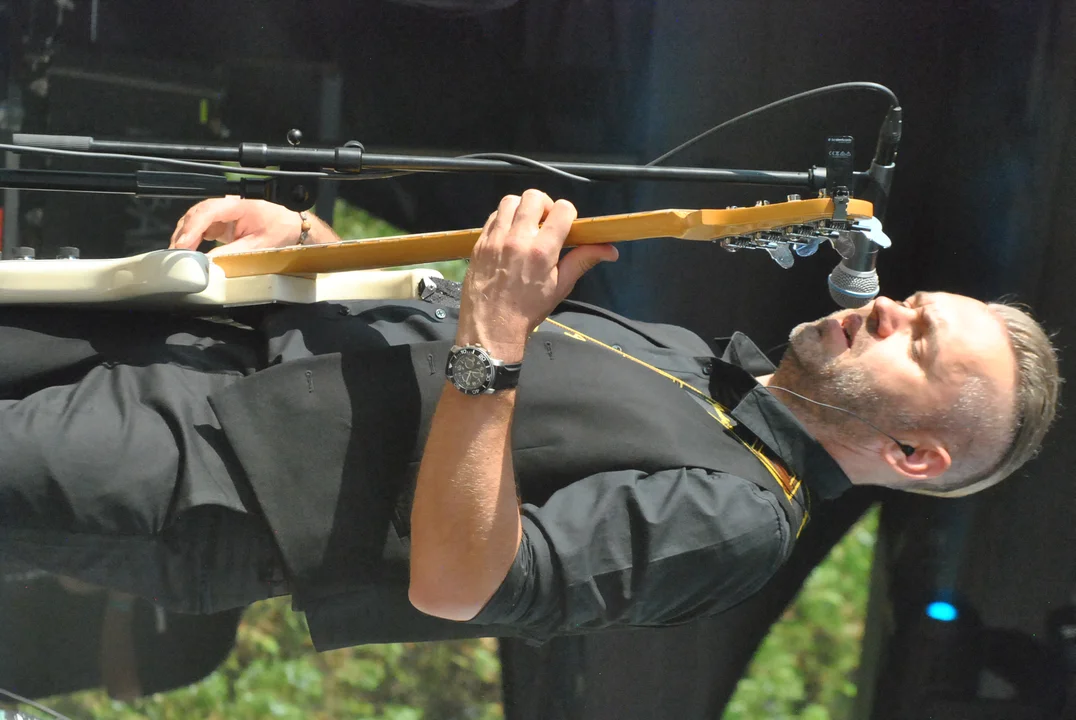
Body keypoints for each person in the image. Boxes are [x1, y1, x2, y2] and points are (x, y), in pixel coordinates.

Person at [0, 190, 1060, 652]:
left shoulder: (741, 521)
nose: (885, 309)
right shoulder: (703, 366)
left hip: (211, 481)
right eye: (913, 306)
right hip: (220, 346)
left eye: (917, 345)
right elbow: (431, 333)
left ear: (910, 456)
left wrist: (497, 335)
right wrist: (312, 240)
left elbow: (462, 584)